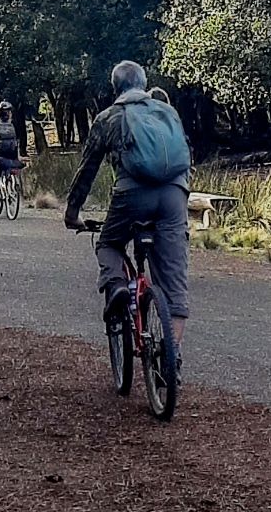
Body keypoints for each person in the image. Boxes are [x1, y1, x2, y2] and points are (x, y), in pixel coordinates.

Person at [64, 62, 190, 354]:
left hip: (132, 195)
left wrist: (72, 213)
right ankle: (170, 356)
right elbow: (185, 155)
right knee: (174, 281)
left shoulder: (109, 117)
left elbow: (87, 170)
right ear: (144, 84)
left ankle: (118, 286)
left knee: (108, 244)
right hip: (174, 195)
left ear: (115, 88)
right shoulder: (167, 112)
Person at [0, 101, 23, 208]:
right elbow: (20, 135)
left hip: (0, 153)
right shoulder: (13, 123)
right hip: (13, 153)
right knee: (13, 167)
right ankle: (14, 186)